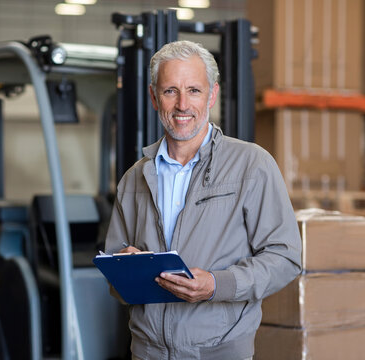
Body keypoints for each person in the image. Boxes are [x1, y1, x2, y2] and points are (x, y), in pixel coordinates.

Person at [104, 40, 302, 359]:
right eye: (170, 91)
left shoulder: (252, 165)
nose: (182, 104)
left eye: (194, 90)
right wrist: (125, 266)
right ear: (155, 98)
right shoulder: (134, 179)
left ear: (212, 95)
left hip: (220, 350)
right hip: (148, 351)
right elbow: (114, 274)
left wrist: (216, 285)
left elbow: (286, 258)